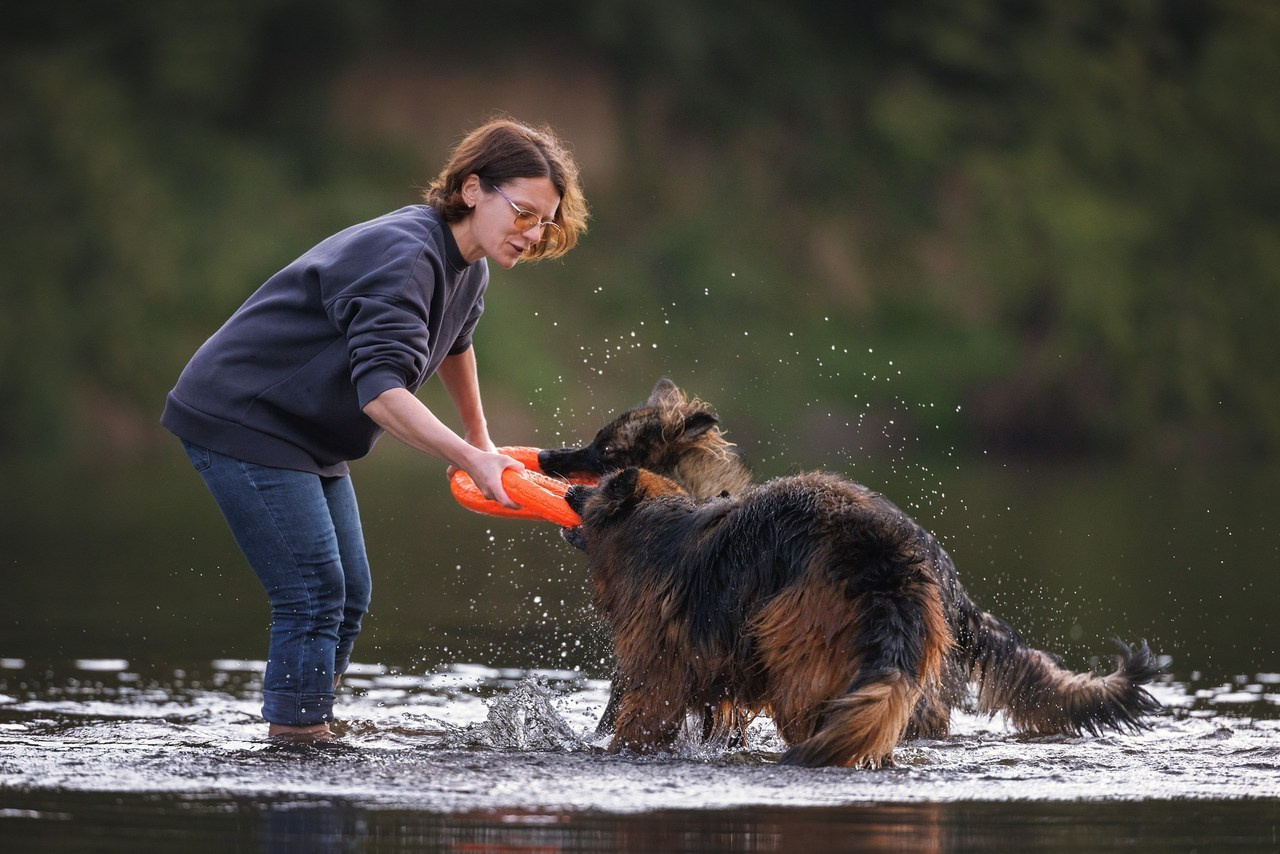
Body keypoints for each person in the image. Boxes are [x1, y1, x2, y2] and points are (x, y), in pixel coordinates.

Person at [161, 118, 588, 741]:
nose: (534, 233)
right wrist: (470, 458)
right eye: (524, 213)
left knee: (349, 592)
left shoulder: (469, 265)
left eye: (545, 221)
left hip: (306, 431)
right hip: (244, 416)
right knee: (313, 591)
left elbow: (456, 343)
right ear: (472, 189)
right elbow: (382, 395)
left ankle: (312, 717)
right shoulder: (406, 256)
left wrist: (483, 437)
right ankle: (297, 736)